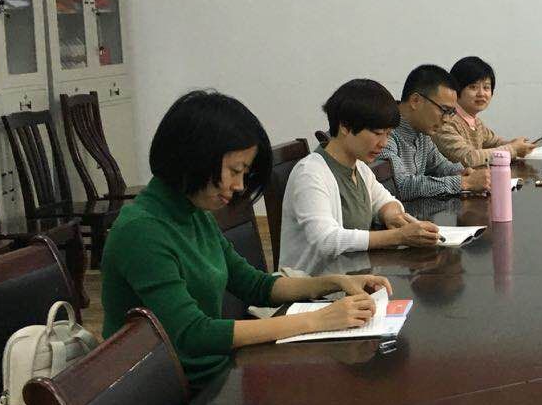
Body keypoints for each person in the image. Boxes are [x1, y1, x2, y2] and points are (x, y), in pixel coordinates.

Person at [100, 90, 393, 387]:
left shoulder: (194, 212)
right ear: (194, 158)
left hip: (214, 372)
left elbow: (254, 285)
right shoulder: (142, 230)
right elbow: (194, 334)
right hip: (171, 392)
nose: (240, 185)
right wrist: (317, 320)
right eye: (234, 171)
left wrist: (334, 283)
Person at [280, 79, 443, 273]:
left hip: (352, 279)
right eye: (377, 133)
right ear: (345, 126)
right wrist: (399, 236)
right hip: (314, 287)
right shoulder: (311, 173)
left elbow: (386, 201)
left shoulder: (359, 167)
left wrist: (392, 214)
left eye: (388, 134)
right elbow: (327, 240)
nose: (383, 143)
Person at [379, 64, 490, 200]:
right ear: (415, 101)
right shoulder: (384, 132)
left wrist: (463, 173)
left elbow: (440, 166)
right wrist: (464, 183)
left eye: (451, 112)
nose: (447, 119)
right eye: (444, 110)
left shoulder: (422, 132)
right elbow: (400, 187)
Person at [435, 55, 539, 167]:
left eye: (486, 87)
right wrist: (513, 149)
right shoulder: (445, 121)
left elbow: (495, 142)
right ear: (456, 89)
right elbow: (467, 159)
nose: (481, 94)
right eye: (473, 87)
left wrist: (517, 144)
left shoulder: (475, 122)